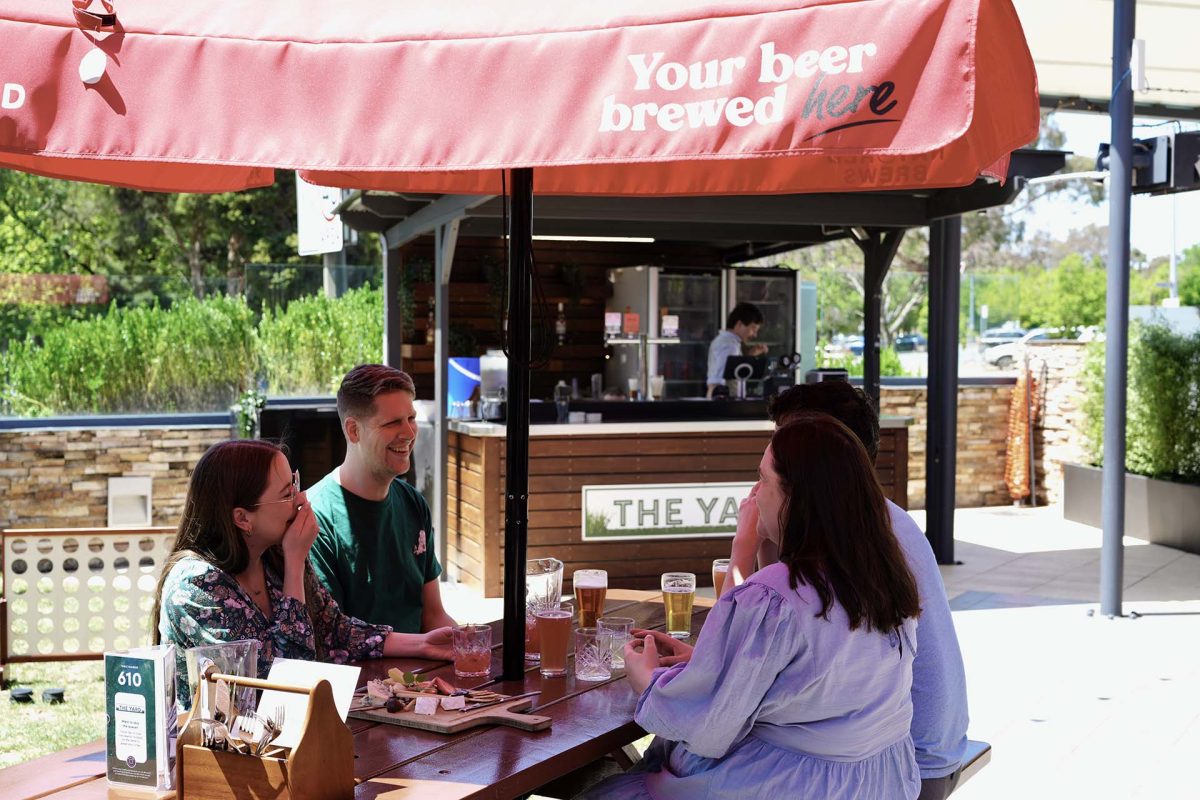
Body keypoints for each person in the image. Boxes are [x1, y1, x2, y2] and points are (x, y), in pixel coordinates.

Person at [587, 414, 922, 799]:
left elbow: (708, 729)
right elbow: (811, 680)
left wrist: (645, 678)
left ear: (796, 498)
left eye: (763, 479)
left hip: (780, 785)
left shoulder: (777, 592)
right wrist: (709, 660)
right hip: (872, 784)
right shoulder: (883, 578)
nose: (754, 493)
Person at [710, 380, 969, 799]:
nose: (778, 458)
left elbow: (725, 674)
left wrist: (744, 546)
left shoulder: (867, 536)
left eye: (792, 445)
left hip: (902, 768)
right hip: (895, 757)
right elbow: (768, 645)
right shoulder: (872, 524)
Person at [152, 439, 453, 710]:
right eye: (287, 494)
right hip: (223, 758)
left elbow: (332, 629)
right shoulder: (196, 586)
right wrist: (295, 563)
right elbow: (284, 680)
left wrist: (421, 643)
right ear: (242, 518)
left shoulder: (272, 555)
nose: (302, 500)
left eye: (295, 485)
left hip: (290, 742)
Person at [307, 364, 456, 633]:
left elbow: (434, 616)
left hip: (419, 672)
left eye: (411, 418)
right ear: (353, 431)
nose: (409, 433)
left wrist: (470, 647)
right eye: (392, 423)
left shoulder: (413, 502)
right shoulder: (316, 517)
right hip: (357, 675)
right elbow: (332, 640)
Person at [706, 302, 767, 398]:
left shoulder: (727, 342)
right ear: (739, 324)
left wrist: (749, 357)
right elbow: (719, 378)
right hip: (726, 403)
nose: (754, 335)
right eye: (753, 329)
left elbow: (732, 370)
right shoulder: (729, 345)